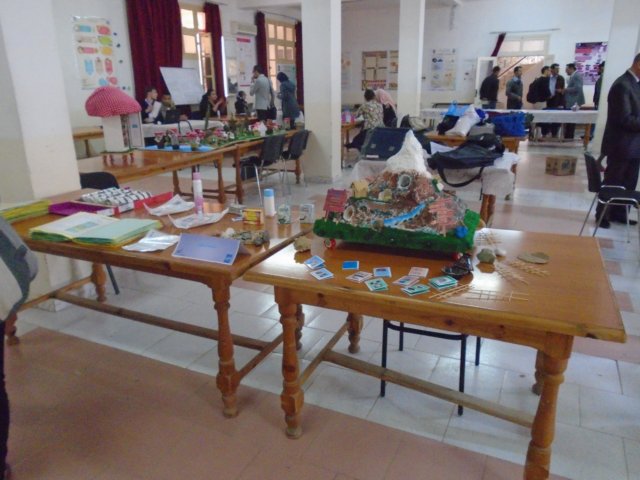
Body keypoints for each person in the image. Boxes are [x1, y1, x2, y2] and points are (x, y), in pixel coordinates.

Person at [595, 53, 640, 228]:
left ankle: (620, 213)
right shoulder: (622, 85)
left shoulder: (635, 84)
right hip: (621, 145)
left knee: (629, 182)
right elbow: (624, 119)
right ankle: (602, 215)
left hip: (634, 146)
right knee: (613, 181)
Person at [540, 63, 565, 138]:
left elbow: (562, 90)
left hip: (557, 100)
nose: (558, 70)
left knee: (555, 117)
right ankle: (545, 132)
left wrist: (560, 91)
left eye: (558, 69)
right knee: (546, 116)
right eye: (556, 69)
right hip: (548, 100)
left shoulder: (561, 78)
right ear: (552, 69)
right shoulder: (548, 78)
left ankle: (554, 133)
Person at [562, 63, 585, 139]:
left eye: (567, 69)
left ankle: (569, 137)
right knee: (570, 120)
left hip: (575, 101)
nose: (566, 71)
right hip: (573, 101)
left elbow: (577, 88)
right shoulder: (574, 76)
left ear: (571, 69)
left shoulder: (577, 76)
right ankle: (568, 136)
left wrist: (566, 90)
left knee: (571, 119)